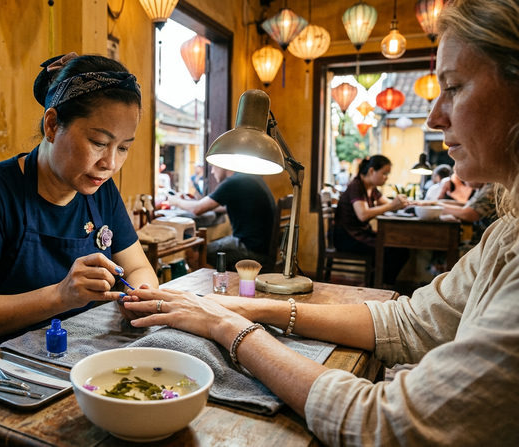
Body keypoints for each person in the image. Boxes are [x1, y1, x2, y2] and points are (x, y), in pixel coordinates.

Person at [123, 0, 519, 443]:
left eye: (454, 87)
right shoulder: (508, 231)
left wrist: (228, 325)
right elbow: (410, 321)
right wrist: (243, 306)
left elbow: (387, 424)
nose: (433, 116)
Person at [0, 54, 158, 368]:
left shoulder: (102, 191)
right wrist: (61, 295)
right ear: (52, 125)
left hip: (66, 360)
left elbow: (137, 269)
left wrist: (142, 295)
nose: (111, 164)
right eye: (98, 142)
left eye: (123, 147)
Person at [168, 166, 275, 269]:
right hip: (263, 248)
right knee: (210, 247)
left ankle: (216, 285)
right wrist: (191, 202)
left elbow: (197, 209)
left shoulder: (233, 182)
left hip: (251, 249)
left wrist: (176, 201)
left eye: (213, 167)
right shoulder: (248, 178)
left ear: (223, 165)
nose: (212, 172)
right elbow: (221, 207)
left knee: (197, 254)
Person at [334, 154, 409, 284]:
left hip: (360, 234)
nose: (386, 178)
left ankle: (377, 283)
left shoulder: (372, 189)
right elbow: (363, 214)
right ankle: (378, 284)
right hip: (346, 237)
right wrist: (392, 205)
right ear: (371, 171)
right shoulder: (356, 186)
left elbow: (387, 204)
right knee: (392, 250)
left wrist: (405, 204)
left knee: (399, 247)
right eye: (384, 173)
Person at [439, 181, 498, 247]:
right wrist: (439, 203)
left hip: (485, 244)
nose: (464, 182)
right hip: (481, 240)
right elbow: (468, 205)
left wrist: (438, 207)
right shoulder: (483, 187)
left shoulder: (490, 189)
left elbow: (469, 214)